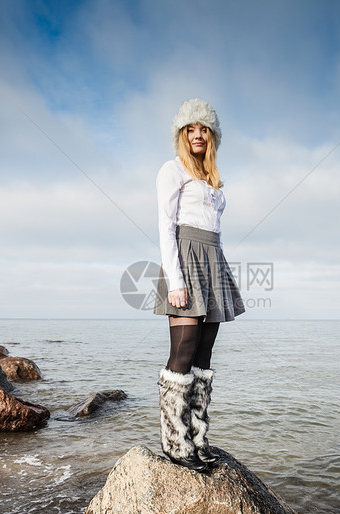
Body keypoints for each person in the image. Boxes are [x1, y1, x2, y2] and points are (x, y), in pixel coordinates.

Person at [153, 98, 245, 472]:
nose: (197, 135)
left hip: (213, 259)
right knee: (184, 350)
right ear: (181, 135)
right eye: (190, 129)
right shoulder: (171, 171)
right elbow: (165, 227)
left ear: (212, 137)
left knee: (204, 357)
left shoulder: (212, 180)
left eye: (203, 129)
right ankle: (174, 441)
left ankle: (197, 436)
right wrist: (175, 280)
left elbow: (214, 230)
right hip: (186, 260)